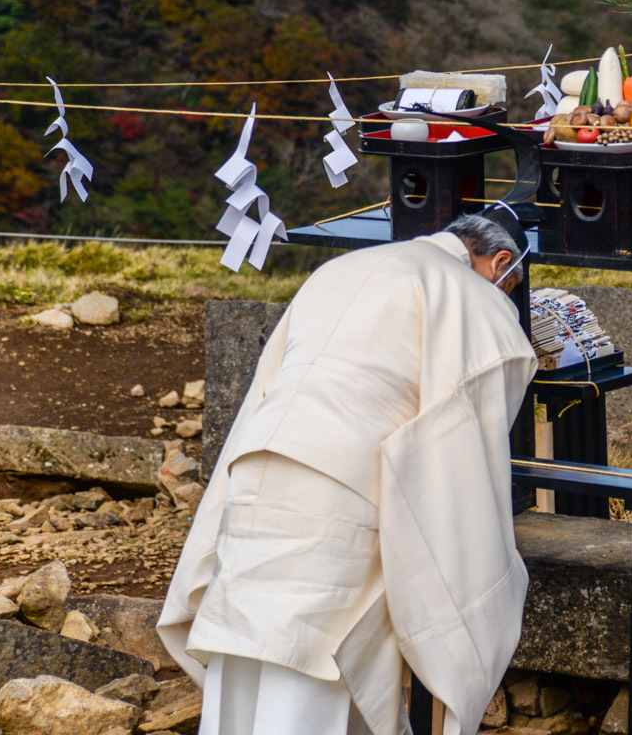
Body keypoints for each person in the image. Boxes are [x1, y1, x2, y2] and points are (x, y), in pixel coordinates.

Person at [159, 210, 539, 735]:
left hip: (257, 472)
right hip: (349, 490)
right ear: (500, 263)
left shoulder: (341, 269)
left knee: (252, 650)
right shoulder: (475, 299)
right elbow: (459, 450)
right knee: (320, 659)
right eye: (509, 284)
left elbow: (267, 384)